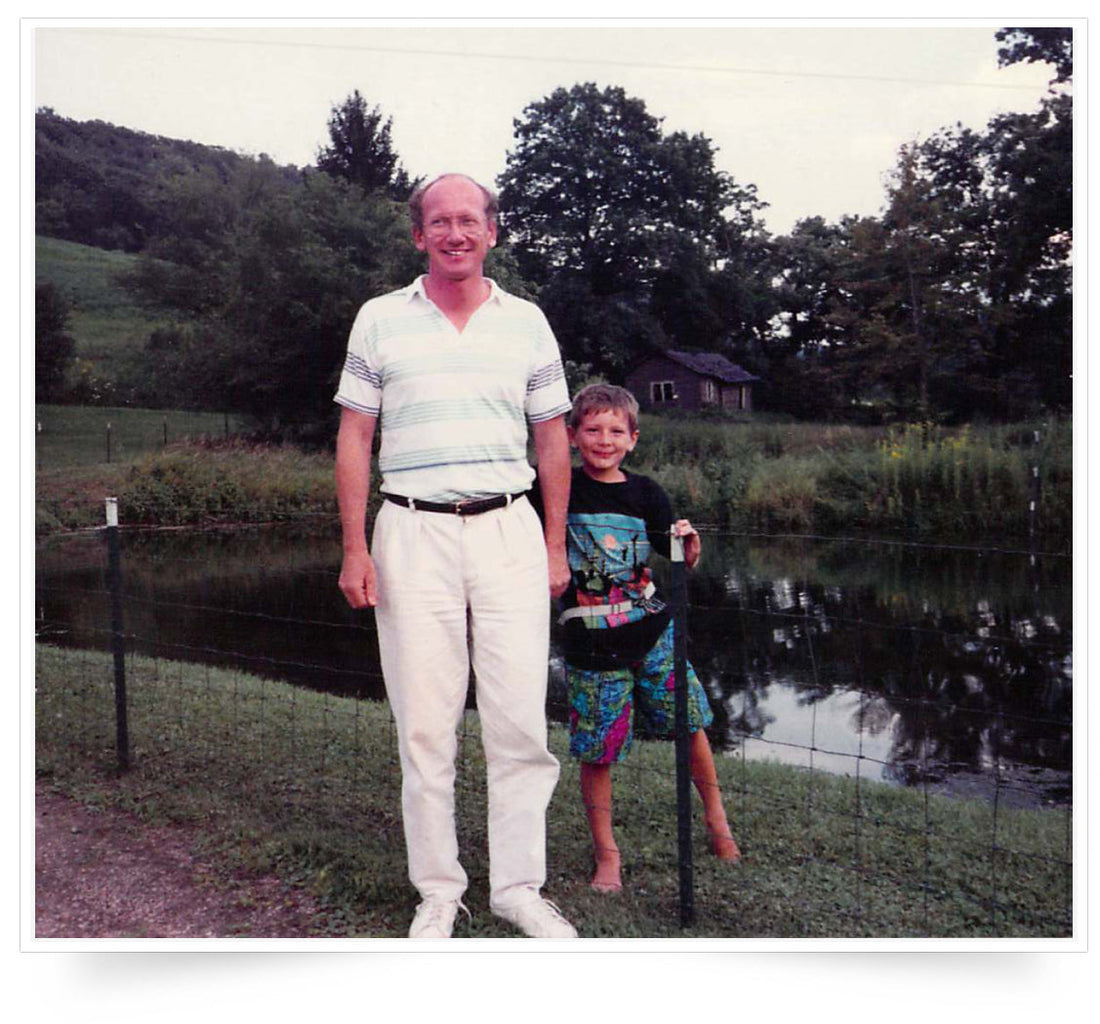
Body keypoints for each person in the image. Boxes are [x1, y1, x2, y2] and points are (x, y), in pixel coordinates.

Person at [333, 173, 577, 939]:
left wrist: (554, 545)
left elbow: (552, 439)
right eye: (439, 222)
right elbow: (355, 437)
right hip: (410, 533)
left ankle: (518, 889)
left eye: (469, 220)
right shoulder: (379, 319)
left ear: (492, 232)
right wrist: (354, 548)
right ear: (419, 236)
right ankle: (438, 891)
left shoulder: (527, 323)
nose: (454, 234)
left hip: (508, 530)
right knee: (425, 726)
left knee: (520, 723)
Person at [540, 382, 740, 893]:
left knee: (689, 722)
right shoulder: (556, 488)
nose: (604, 440)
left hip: (654, 635)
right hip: (591, 646)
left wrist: (689, 547)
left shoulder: (648, 493)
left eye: (616, 431)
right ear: (571, 435)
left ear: (633, 439)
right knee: (598, 750)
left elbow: (675, 557)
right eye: (592, 430)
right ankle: (607, 854)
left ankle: (717, 821)